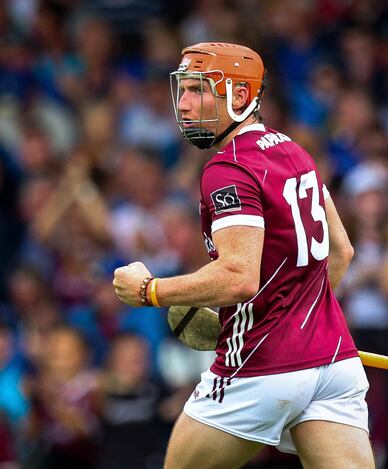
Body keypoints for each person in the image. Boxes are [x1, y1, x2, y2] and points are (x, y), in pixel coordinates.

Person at [113, 42, 373, 468]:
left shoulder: (228, 169)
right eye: (182, 90)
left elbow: (238, 277)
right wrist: (301, 322)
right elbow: (341, 251)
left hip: (259, 365)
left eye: (199, 91)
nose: (185, 104)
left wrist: (150, 290)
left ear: (239, 95)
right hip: (335, 364)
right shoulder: (296, 152)